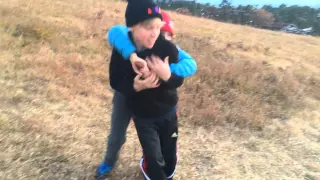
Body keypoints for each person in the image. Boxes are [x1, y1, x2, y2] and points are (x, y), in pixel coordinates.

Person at [96, 4, 196, 180]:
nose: (155, 33)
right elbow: (115, 81)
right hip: (126, 96)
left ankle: (150, 164)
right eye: (149, 27)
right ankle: (109, 162)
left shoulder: (163, 47)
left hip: (151, 109)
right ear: (133, 26)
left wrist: (167, 74)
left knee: (155, 142)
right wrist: (135, 86)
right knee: (117, 136)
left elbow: (178, 77)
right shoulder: (122, 46)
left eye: (158, 27)